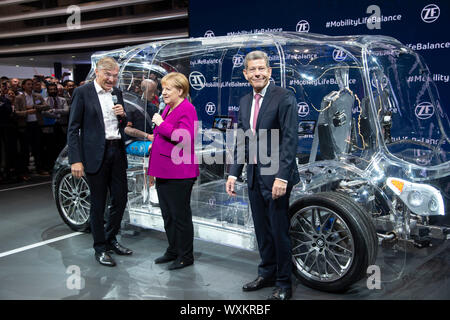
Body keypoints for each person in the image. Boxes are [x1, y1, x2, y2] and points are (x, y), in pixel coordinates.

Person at [226, 50, 299, 300]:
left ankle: (283, 283)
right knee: (261, 230)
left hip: (276, 176)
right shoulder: (245, 101)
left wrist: (283, 177)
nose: (257, 73)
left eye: (262, 68)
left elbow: (290, 141)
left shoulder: (284, 97)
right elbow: (243, 141)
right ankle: (266, 272)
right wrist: (233, 173)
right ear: (245, 74)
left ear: (269, 71)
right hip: (255, 176)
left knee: (279, 232)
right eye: (252, 69)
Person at [67, 56, 132, 267]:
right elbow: (73, 128)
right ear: (97, 71)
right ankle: (100, 247)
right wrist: (75, 159)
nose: (112, 79)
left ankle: (111, 239)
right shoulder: (82, 92)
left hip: (117, 152)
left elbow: (121, 125)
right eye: (108, 75)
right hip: (95, 155)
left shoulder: (117, 93)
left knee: (120, 199)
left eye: (115, 75)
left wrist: (123, 116)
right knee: (98, 203)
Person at [147, 72, 199, 270]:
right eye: (163, 89)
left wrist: (161, 124)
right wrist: (156, 140)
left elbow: (184, 137)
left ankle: (186, 255)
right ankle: (173, 250)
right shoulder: (168, 107)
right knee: (168, 215)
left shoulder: (188, 109)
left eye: (168, 89)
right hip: (164, 170)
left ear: (180, 90)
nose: (163, 93)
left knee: (180, 216)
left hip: (180, 172)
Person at [15, 78, 50, 176]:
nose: (31, 86)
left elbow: (46, 106)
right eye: (28, 84)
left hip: (36, 124)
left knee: (38, 148)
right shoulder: (19, 98)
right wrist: (27, 112)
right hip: (25, 126)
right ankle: (25, 171)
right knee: (25, 150)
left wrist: (35, 107)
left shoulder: (37, 96)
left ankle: (39, 168)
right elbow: (16, 112)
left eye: (32, 84)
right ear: (23, 86)